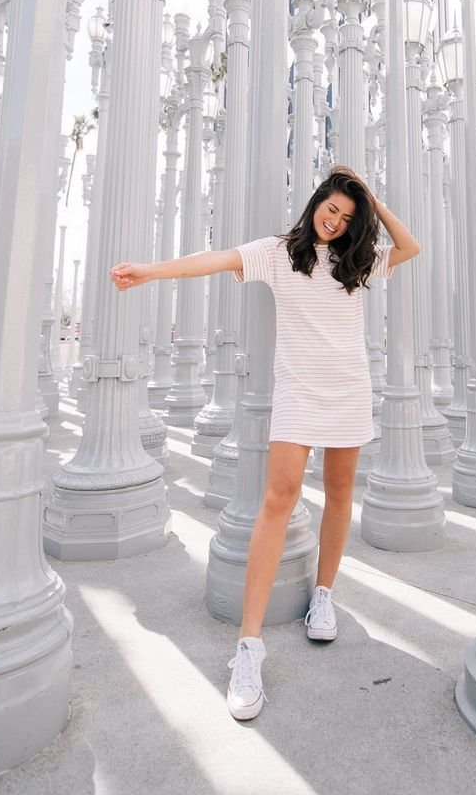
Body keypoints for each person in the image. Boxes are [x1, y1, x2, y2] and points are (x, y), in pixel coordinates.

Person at [110, 166, 419, 721]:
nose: (336, 220)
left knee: (343, 493)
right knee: (278, 500)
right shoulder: (278, 252)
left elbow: (411, 245)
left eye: (349, 217)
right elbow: (213, 260)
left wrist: (372, 195)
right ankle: (248, 647)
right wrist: (150, 272)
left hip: (348, 387)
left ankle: (323, 596)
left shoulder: (358, 263)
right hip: (299, 393)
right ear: (316, 201)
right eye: (332, 207)